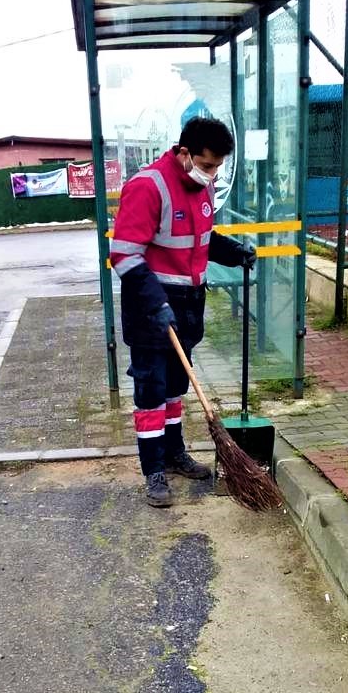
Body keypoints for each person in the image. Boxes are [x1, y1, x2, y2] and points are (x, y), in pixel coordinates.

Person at [110, 116, 255, 508]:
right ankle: (153, 470)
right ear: (185, 153)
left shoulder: (201, 187)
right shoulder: (148, 186)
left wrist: (233, 252)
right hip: (151, 307)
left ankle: (174, 454)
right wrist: (156, 303)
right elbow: (124, 255)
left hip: (189, 304)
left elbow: (200, 240)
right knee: (152, 391)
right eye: (207, 165)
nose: (212, 174)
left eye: (218, 167)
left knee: (176, 387)